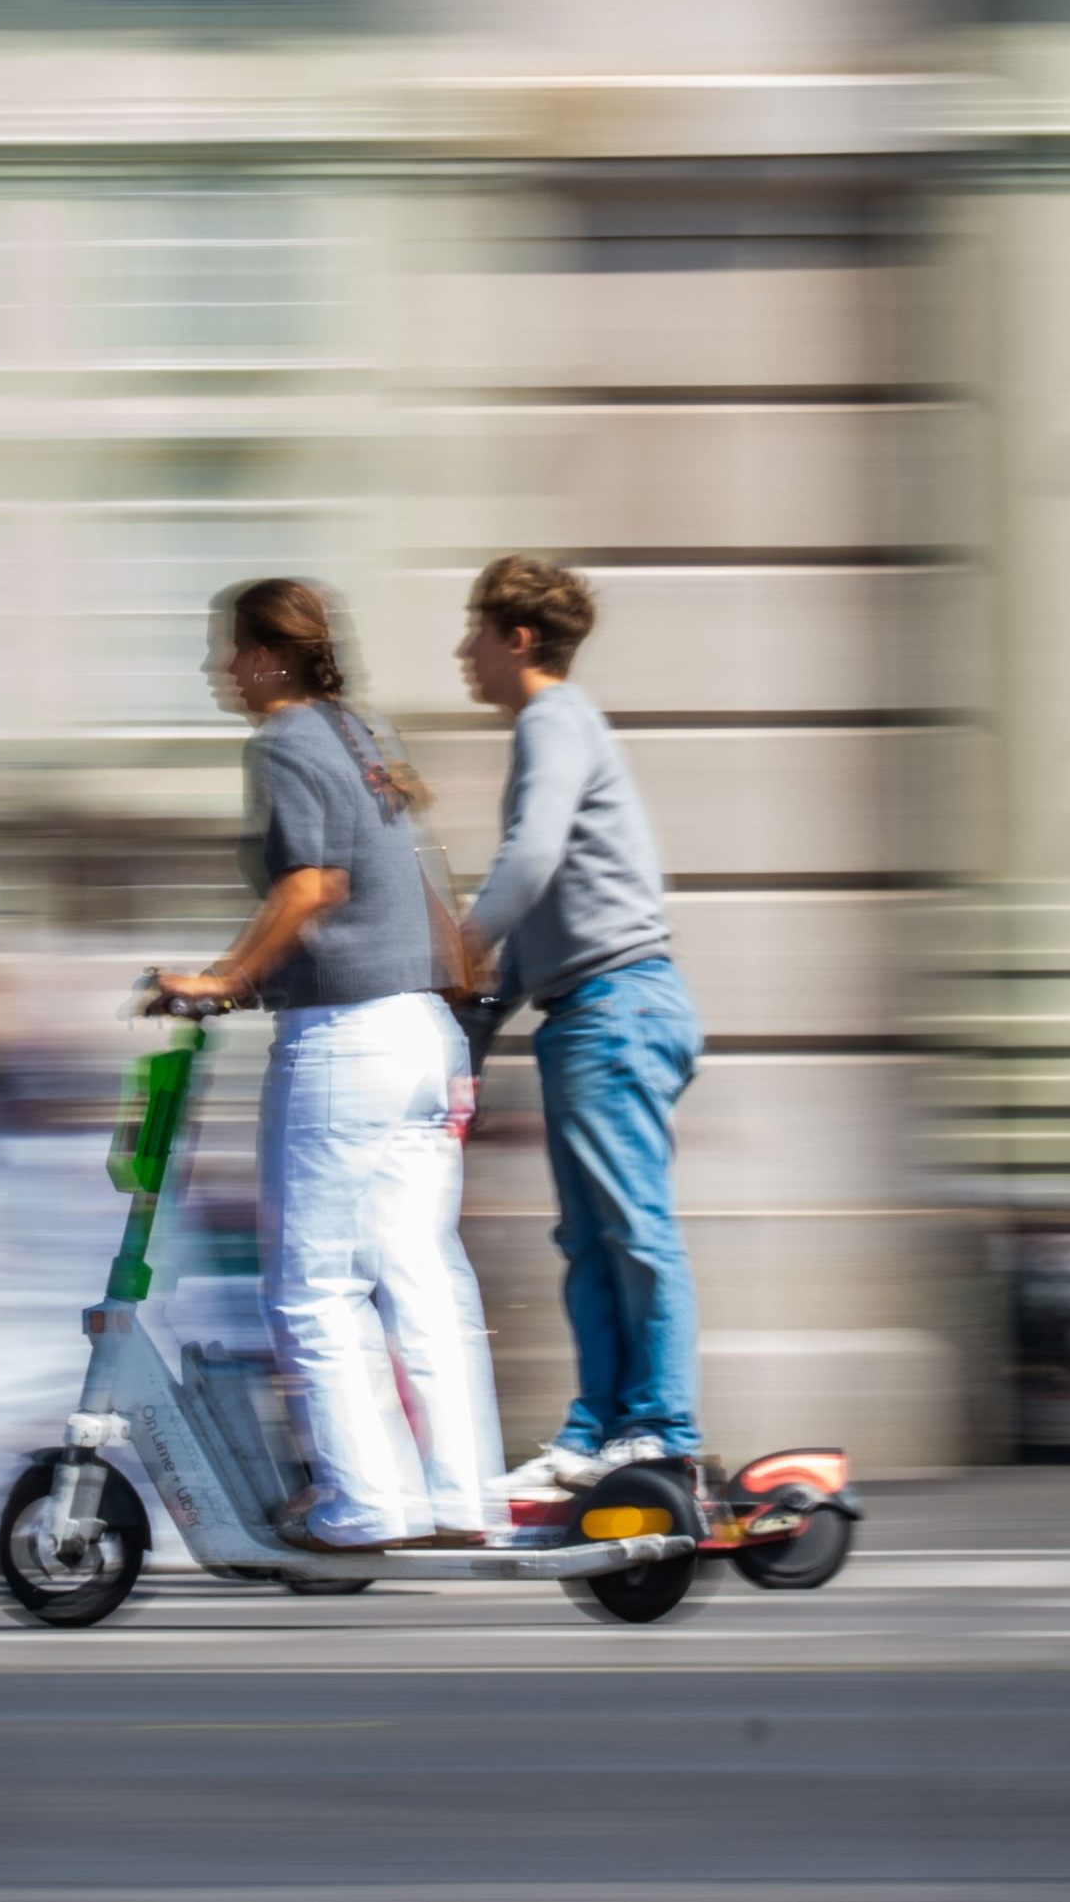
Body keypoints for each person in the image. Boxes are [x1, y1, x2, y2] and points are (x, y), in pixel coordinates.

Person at [150, 578, 504, 1550]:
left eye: (229, 649)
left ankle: (367, 1501)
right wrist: (451, 1003)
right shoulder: (362, 732)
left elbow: (314, 881)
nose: (218, 669)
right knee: (421, 1273)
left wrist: (223, 977)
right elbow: (423, 881)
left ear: (270, 653)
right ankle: (463, 1495)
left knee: (311, 1282)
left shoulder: (281, 741)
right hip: (420, 1033)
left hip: (346, 1038)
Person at [452, 554, 706, 1501]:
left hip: (617, 1006)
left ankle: (663, 1428)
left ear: (517, 638)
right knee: (590, 1239)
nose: (462, 651)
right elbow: (544, 904)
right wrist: (475, 1017)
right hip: (591, 1010)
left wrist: (463, 941)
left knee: (633, 1230)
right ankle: (600, 1428)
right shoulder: (556, 727)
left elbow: (530, 859)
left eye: (473, 630)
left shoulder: (554, 719)